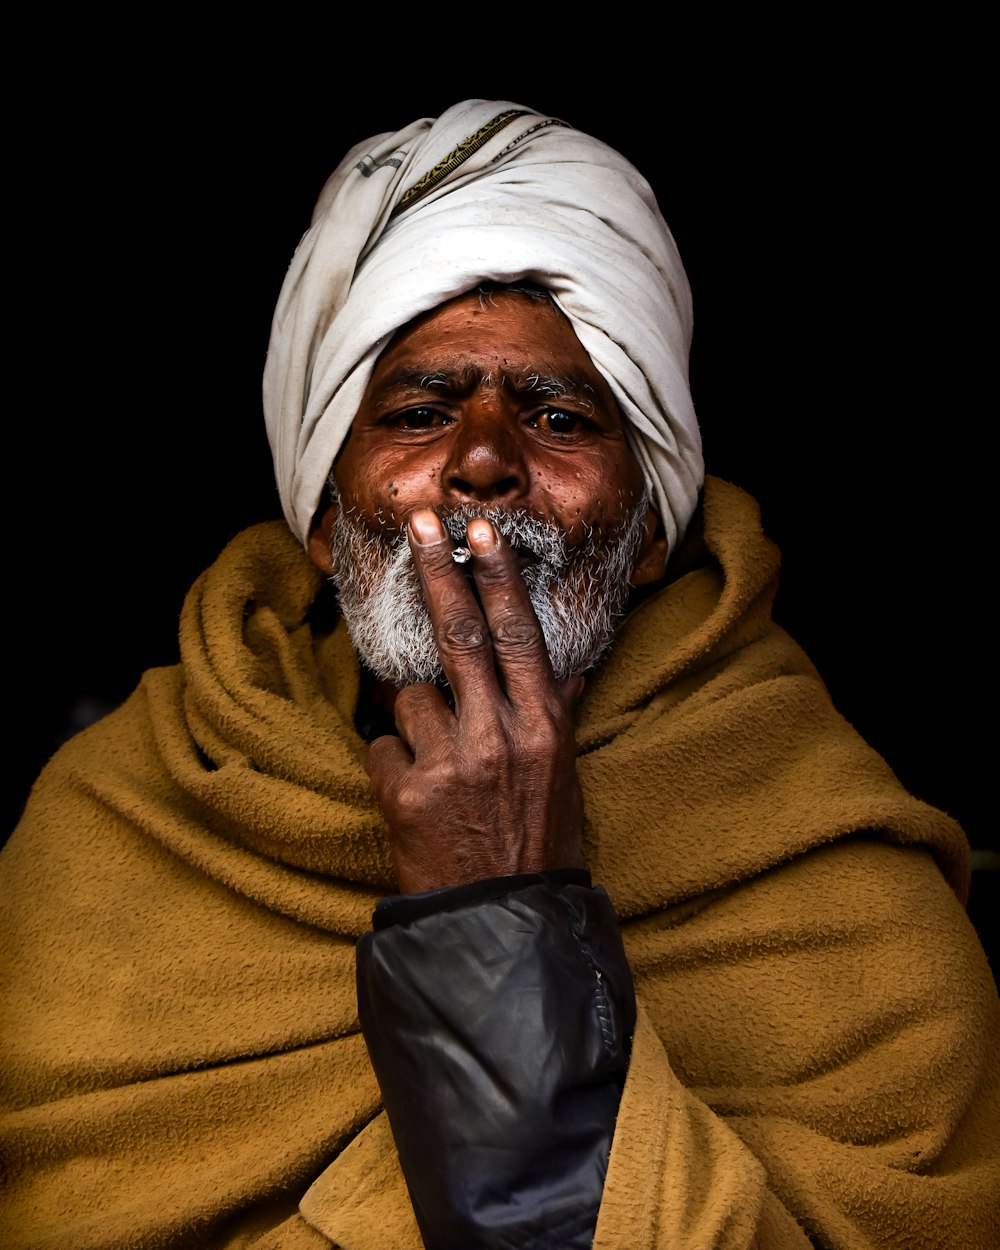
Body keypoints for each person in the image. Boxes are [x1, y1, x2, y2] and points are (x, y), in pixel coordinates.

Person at [1, 99, 997, 1250]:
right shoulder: (124, 813)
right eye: (420, 412)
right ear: (325, 521)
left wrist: (504, 921)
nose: (481, 461)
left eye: (560, 417)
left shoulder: (839, 897)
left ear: (653, 532)